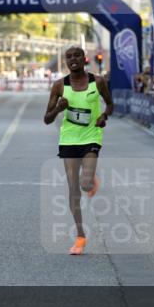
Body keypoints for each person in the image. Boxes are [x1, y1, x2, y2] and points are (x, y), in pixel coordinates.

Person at [43, 46, 113, 256]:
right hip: (69, 138)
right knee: (74, 188)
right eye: (69, 57)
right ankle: (80, 236)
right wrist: (58, 109)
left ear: (84, 59)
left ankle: (91, 180)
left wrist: (104, 117)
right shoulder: (59, 86)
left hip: (92, 135)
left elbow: (109, 105)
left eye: (76, 56)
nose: (73, 60)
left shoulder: (98, 81)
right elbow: (47, 119)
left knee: (85, 184)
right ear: (66, 61)